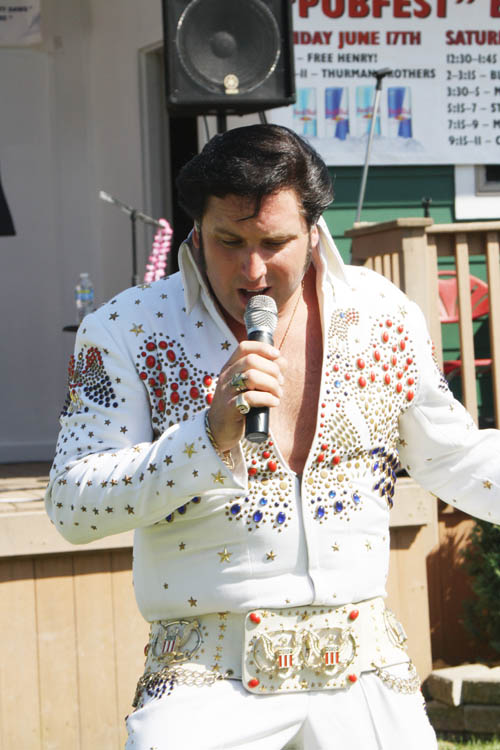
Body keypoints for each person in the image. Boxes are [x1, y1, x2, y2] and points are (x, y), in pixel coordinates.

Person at [45, 124, 500, 750]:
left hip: (362, 664)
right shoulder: (127, 328)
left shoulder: (383, 313)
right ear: (196, 230)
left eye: (275, 242)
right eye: (229, 241)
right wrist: (205, 438)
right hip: (205, 672)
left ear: (314, 230)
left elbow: (452, 456)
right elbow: (73, 504)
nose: (253, 269)